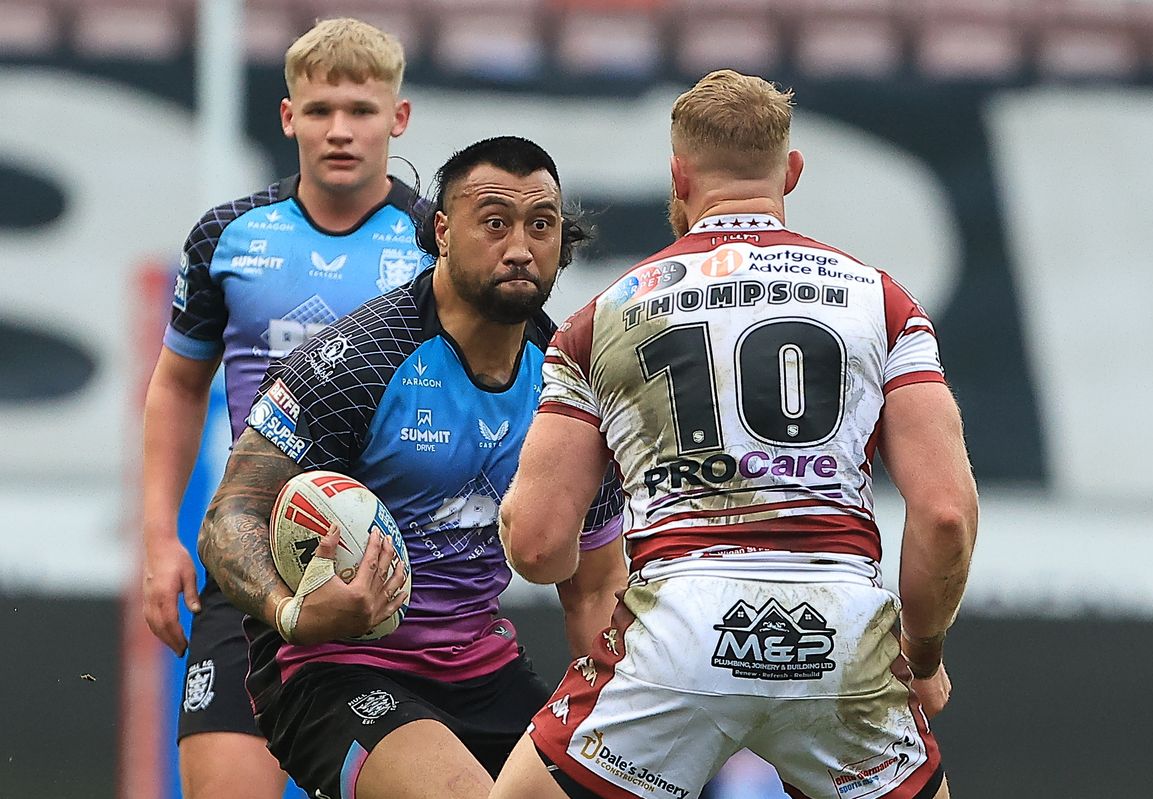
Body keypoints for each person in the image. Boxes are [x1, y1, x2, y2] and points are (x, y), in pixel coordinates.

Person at [492, 69, 979, 799]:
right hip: (838, 633)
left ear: (678, 176)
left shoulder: (600, 319)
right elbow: (945, 513)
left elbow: (535, 542)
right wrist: (924, 652)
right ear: (791, 170)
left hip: (677, 633)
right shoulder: (882, 302)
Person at [196, 135, 628, 799]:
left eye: (540, 224)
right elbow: (230, 516)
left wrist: (623, 720)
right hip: (333, 668)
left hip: (483, 668)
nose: (520, 246)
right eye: (494, 222)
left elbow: (596, 587)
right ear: (442, 232)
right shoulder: (355, 360)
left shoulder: (575, 382)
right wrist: (296, 614)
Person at [141, 18, 430, 799]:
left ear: (397, 119)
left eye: (362, 110)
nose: (340, 130)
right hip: (251, 567)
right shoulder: (228, 237)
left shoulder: (437, 244)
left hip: (402, 579)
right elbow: (175, 385)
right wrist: (159, 536)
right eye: (321, 108)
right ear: (287, 116)